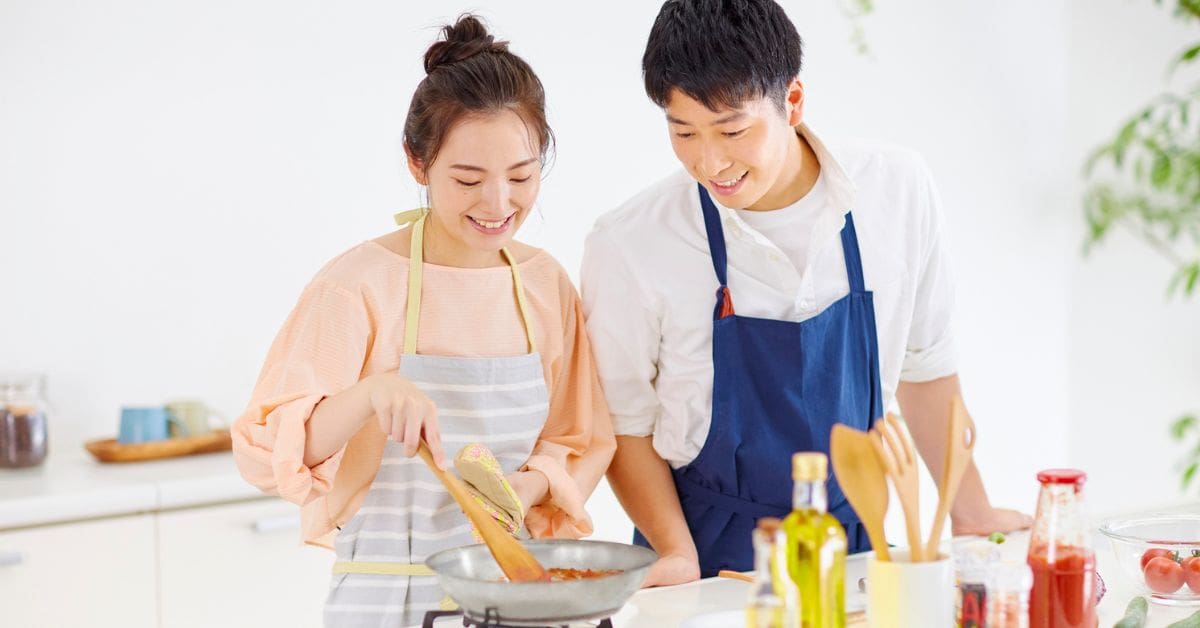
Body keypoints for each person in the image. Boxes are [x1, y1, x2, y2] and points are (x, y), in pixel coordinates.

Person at [581, 0, 1031, 585]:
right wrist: (677, 554)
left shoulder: (895, 191)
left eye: (732, 129)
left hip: (853, 545)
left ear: (792, 101)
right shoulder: (631, 241)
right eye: (683, 131)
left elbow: (926, 368)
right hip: (706, 561)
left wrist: (972, 512)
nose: (708, 160)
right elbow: (625, 423)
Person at [232, 15, 615, 626]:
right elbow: (261, 452)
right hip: (389, 603)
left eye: (521, 176)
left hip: (515, 603)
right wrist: (369, 396)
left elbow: (580, 439)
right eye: (468, 179)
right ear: (417, 163)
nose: (498, 204)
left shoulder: (545, 284)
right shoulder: (356, 285)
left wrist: (529, 488)